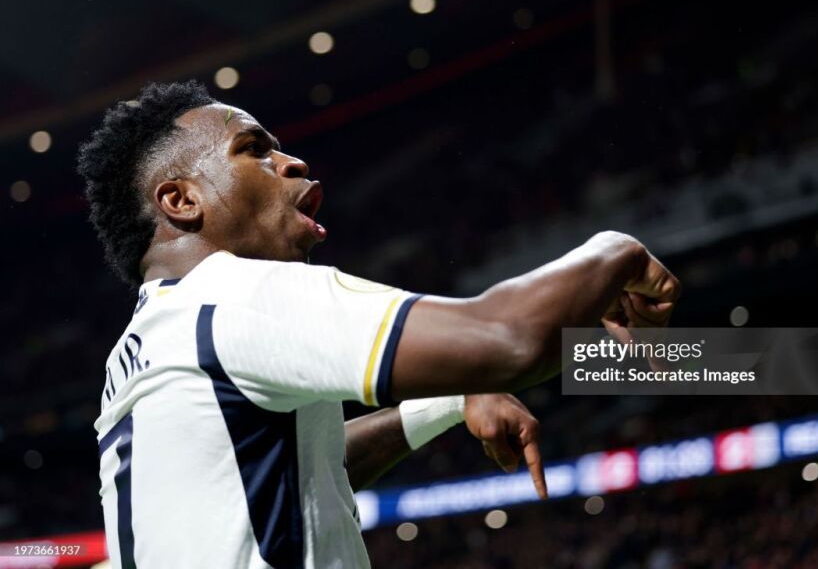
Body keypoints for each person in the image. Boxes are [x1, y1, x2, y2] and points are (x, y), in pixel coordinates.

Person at [77, 81, 680, 568]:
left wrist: (447, 401)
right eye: (254, 149)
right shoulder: (235, 292)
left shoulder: (141, 349)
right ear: (181, 201)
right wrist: (615, 251)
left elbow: (301, 474)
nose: (292, 162)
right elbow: (508, 338)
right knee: (716, 359)